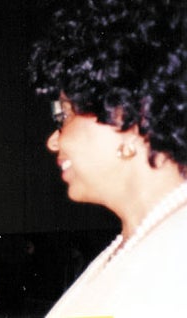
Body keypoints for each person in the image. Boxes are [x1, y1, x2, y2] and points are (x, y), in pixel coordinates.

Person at [28, 0, 187, 316]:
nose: (53, 140)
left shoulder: (178, 248)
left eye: (64, 117)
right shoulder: (137, 242)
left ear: (128, 117)